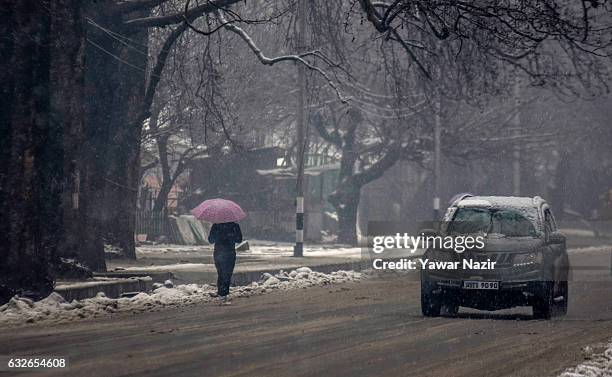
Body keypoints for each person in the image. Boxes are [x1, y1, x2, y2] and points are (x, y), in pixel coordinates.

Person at [208, 222, 242, 305]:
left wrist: (219, 236)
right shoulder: (234, 226)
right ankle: (223, 294)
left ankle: (221, 293)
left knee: (221, 273)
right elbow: (239, 239)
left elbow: (210, 240)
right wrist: (230, 236)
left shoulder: (216, 225)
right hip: (229, 253)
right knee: (227, 274)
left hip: (218, 252)